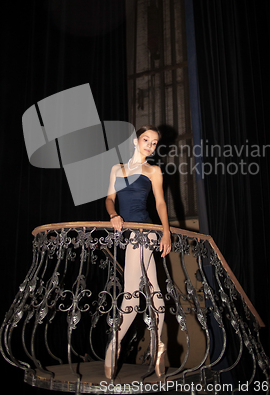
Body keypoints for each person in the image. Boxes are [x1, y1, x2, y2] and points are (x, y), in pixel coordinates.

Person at [104, 125, 172, 379]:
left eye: (154, 143)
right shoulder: (117, 169)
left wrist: (166, 232)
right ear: (135, 141)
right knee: (151, 288)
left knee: (131, 294)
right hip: (128, 233)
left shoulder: (153, 170)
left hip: (143, 232)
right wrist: (113, 214)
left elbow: (160, 203)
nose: (151, 145)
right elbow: (110, 198)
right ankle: (159, 345)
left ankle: (114, 345)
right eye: (146, 140)